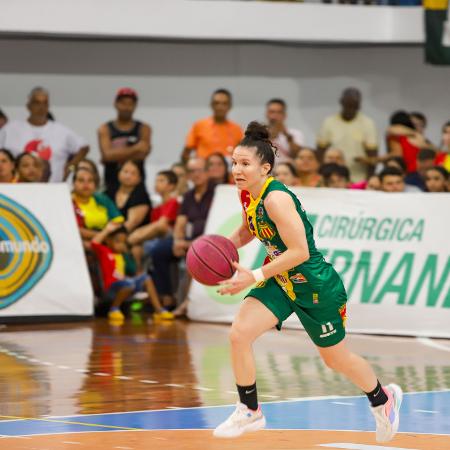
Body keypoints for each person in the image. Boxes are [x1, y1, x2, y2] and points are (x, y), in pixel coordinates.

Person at [213, 122, 402, 441]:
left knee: (335, 359)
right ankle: (250, 410)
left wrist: (254, 275)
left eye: (245, 164)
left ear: (265, 167)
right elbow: (249, 229)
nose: (237, 169)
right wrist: (221, 247)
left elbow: (300, 251)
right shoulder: (246, 192)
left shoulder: (277, 199)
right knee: (239, 333)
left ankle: (383, 400)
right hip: (280, 278)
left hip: (313, 284)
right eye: (234, 162)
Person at [149, 158, 215, 315]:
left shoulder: (216, 192)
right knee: (158, 251)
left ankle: (186, 303)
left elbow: (215, 225)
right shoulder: (188, 196)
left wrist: (188, 243)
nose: (195, 174)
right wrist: (178, 241)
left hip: (210, 240)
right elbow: (180, 222)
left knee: (194, 256)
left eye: (199, 170)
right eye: (191, 171)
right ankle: (167, 298)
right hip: (188, 240)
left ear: (207, 172)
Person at [0, 87, 89, 182]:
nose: (41, 107)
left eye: (45, 103)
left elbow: (84, 147)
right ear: (28, 106)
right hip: (16, 189)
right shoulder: (10, 129)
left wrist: (70, 167)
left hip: (53, 189)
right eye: (37, 103)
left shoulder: (61, 131)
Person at [90, 222, 174, 322]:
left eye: (123, 242)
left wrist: (127, 254)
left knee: (146, 278)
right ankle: (114, 309)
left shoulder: (122, 256)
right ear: (108, 241)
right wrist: (107, 230)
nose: (121, 245)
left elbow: (132, 270)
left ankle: (158, 310)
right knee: (128, 284)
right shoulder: (105, 251)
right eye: (118, 241)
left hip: (125, 284)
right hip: (111, 288)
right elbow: (94, 243)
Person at [317, 88, 378, 181]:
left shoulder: (368, 123)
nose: (350, 108)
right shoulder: (329, 122)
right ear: (341, 102)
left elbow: (373, 156)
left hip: (359, 178)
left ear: (359, 105)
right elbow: (320, 152)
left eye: (354, 105)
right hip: (332, 179)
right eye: (348, 105)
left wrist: (368, 180)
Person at [98, 88, 151, 191]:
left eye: (130, 103)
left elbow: (143, 152)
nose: (126, 107)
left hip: (137, 185)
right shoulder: (105, 128)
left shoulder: (144, 128)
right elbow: (107, 155)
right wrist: (136, 148)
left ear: (135, 106)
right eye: (123, 103)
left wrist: (115, 154)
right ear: (116, 104)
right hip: (111, 182)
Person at [128, 170, 180, 272]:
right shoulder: (156, 208)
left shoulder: (173, 202)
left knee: (160, 226)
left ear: (171, 186)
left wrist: (138, 234)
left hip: (171, 235)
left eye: (161, 180)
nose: (157, 184)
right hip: (155, 237)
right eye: (156, 181)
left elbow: (161, 225)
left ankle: (131, 239)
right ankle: (139, 274)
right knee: (136, 247)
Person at [181, 89, 243, 162]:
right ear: (211, 105)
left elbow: (242, 155)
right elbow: (185, 154)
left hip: (228, 172)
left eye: (224, 103)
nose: (220, 107)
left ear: (230, 106)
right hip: (203, 172)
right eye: (216, 103)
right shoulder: (199, 125)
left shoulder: (237, 129)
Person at [72, 167, 124, 250]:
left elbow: (117, 222)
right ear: (73, 184)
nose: (86, 184)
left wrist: (104, 236)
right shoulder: (69, 201)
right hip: (79, 241)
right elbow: (74, 230)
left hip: (107, 239)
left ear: (95, 184)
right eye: (81, 180)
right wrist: (103, 235)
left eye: (90, 181)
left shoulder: (102, 199)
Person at [105, 160, 151, 233]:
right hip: (106, 231)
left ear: (139, 178)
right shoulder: (109, 192)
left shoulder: (141, 196)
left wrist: (108, 235)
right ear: (119, 173)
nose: (128, 176)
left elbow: (131, 224)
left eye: (133, 173)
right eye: (125, 171)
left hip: (129, 235)